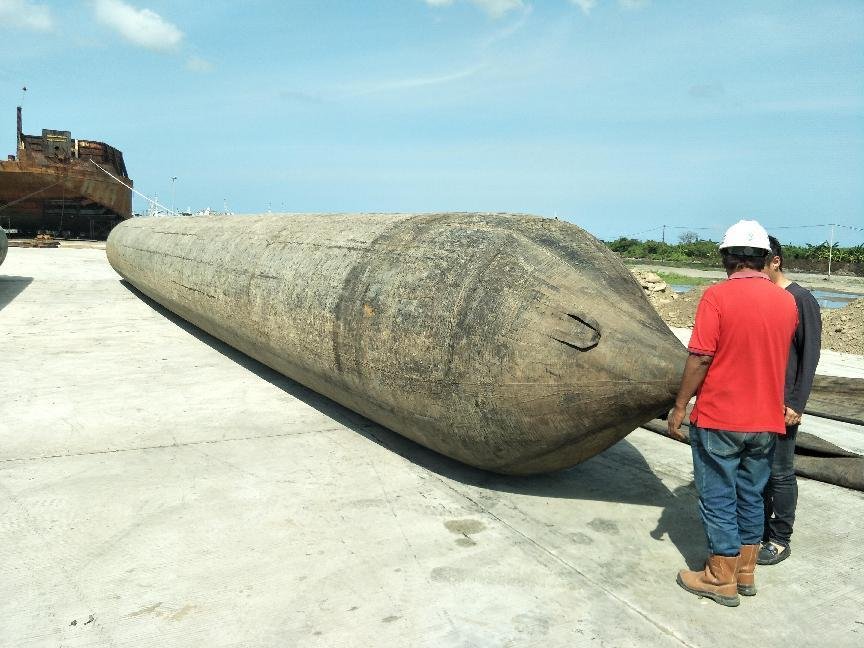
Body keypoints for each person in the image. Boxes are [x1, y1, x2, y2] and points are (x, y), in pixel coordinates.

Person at [667, 220, 798, 607]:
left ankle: (719, 578)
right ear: (763, 259)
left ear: (727, 258)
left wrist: (679, 405)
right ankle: (745, 572)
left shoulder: (716, 297)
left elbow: (702, 356)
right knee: (751, 495)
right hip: (765, 421)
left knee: (718, 495)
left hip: (721, 418)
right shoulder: (786, 301)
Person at [759, 235, 822, 566]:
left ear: (775, 262)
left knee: (780, 472)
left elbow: (809, 357)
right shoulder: (764, 298)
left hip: (783, 404)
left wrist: (796, 403)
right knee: (757, 471)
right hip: (758, 401)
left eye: (759, 264)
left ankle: (780, 539)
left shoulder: (801, 300)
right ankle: (757, 531)